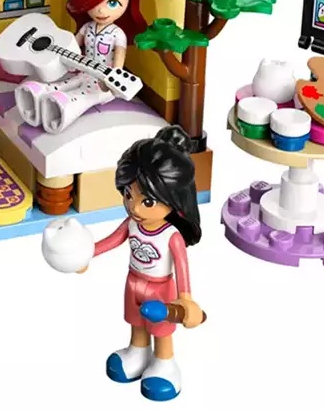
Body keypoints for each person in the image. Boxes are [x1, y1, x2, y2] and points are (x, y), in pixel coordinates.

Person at [41, 126, 204, 401]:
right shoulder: (132, 224)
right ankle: (138, 352)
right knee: (136, 321)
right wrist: (85, 255)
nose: (134, 207)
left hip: (161, 289)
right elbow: (112, 240)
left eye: (147, 201)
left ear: (174, 200)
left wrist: (186, 299)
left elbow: (182, 267)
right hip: (133, 282)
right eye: (129, 195)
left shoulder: (171, 235)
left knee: (161, 329)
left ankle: (164, 362)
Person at [15, 0, 148, 133]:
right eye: (94, 0)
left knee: (79, 97)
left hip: (102, 84)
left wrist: (111, 78)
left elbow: (118, 62)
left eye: (112, 2)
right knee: (59, 85)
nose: (101, 9)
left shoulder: (117, 34)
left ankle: (59, 111)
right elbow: (72, 45)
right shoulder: (87, 28)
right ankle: (38, 97)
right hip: (83, 72)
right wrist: (64, 59)